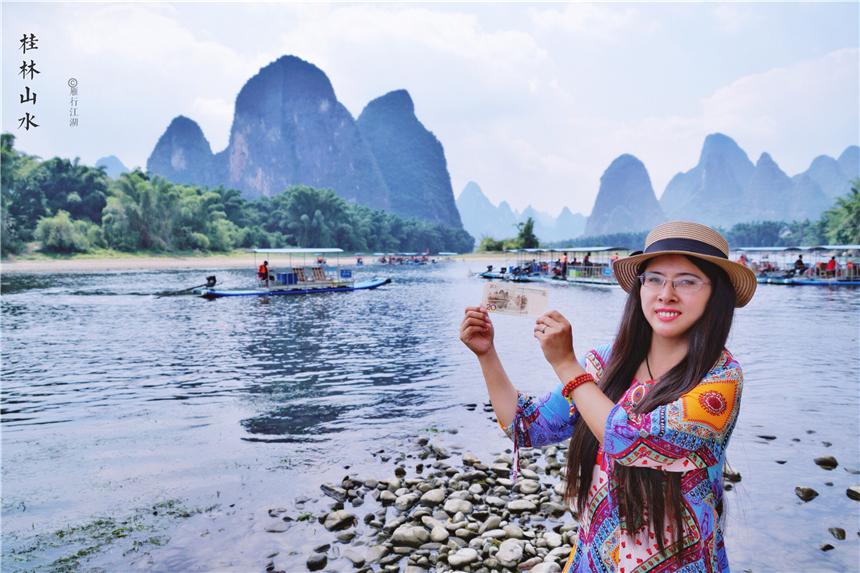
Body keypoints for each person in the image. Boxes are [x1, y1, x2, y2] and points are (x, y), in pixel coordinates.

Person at [460, 221, 756, 572]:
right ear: (640, 288)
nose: (666, 294)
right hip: (595, 559)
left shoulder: (720, 379)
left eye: (687, 281)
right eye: (655, 279)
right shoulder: (604, 363)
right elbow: (528, 426)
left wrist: (567, 365)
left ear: (715, 294)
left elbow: (633, 441)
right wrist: (486, 354)